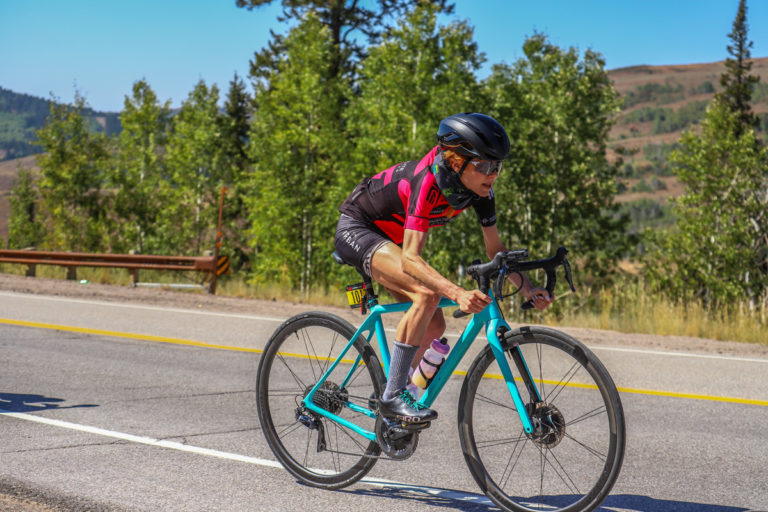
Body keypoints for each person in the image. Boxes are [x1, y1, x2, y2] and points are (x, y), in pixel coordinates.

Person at [334, 112, 553, 424]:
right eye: (485, 166)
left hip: (392, 242)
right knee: (427, 294)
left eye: (497, 166)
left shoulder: (480, 191)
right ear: (455, 162)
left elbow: (495, 250)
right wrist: (457, 292)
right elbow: (411, 258)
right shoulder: (426, 181)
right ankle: (393, 395)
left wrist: (528, 288)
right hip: (358, 229)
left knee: (435, 327)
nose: (493, 175)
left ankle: (392, 393)